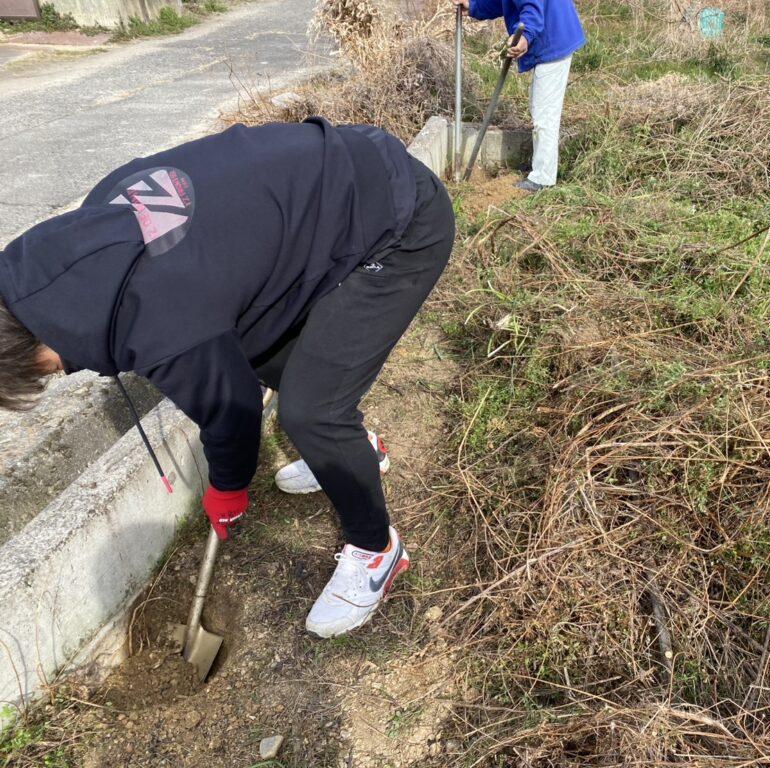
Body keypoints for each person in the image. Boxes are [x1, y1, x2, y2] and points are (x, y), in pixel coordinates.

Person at [0, 117, 455, 638]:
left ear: (27, 342)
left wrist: (228, 486)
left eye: (40, 372)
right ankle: (353, 449)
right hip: (340, 179)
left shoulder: (154, 314)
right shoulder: (88, 234)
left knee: (311, 411)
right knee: (258, 351)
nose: (55, 374)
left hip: (399, 218)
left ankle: (378, 550)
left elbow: (232, 410)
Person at [455, 0, 585, 192]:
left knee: (544, 113)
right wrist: (474, 7)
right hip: (550, 32)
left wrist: (525, 35)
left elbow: (532, 7)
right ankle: (540, 164)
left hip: (553, 37)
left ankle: (543, 178)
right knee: (539, 107)